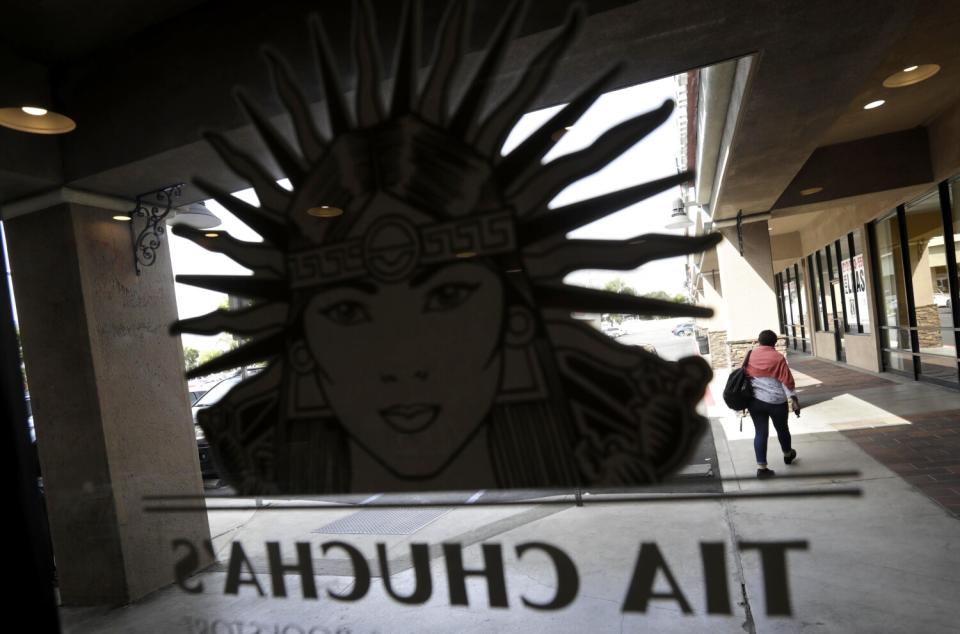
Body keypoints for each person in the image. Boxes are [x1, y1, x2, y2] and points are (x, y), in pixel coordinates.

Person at [744, 330, 801, 478]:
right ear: (774, 343)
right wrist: (794, 400)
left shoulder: (750, 354)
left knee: (760, 432)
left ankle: (761, 468)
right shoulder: (778, 357)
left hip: (755, 401)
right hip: (776, 402)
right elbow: (786, 381)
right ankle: (788, 454)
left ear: (759, 341)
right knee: (782, 429)